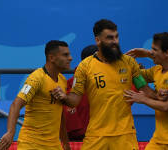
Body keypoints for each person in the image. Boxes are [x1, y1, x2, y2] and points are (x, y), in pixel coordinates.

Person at [52, 19, 157, 150]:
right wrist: (64, 97)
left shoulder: (129, 63)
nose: (115, 42)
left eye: (117, 37)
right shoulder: (84, 67)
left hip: (125, 136)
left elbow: (145, 89)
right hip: (96, 136)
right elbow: (74, 100)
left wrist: (162, 96)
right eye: (110, 38)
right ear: (98, 40)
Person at [125, 32, 168, 150]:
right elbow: (134, 75)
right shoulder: (156, 70)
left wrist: (143, 99)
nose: (151, 53)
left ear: (167, 53)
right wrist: (129, 63)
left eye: (154, 49)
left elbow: (167, 106)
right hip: (158, 139)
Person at [0, 40, 72, 150]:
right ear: (51, 58)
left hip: (54, 145)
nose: (70, 58)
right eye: (65, 55)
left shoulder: (62, 80)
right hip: (31, 144)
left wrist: (65, 142)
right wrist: (10, 132)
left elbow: (60, 113)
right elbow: (16, 105)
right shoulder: (36, 78)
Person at [63, 45, 97, 141]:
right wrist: (80, 133)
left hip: (100, 135)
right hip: (80, 139)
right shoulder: (69, 84)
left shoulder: (108, 81)